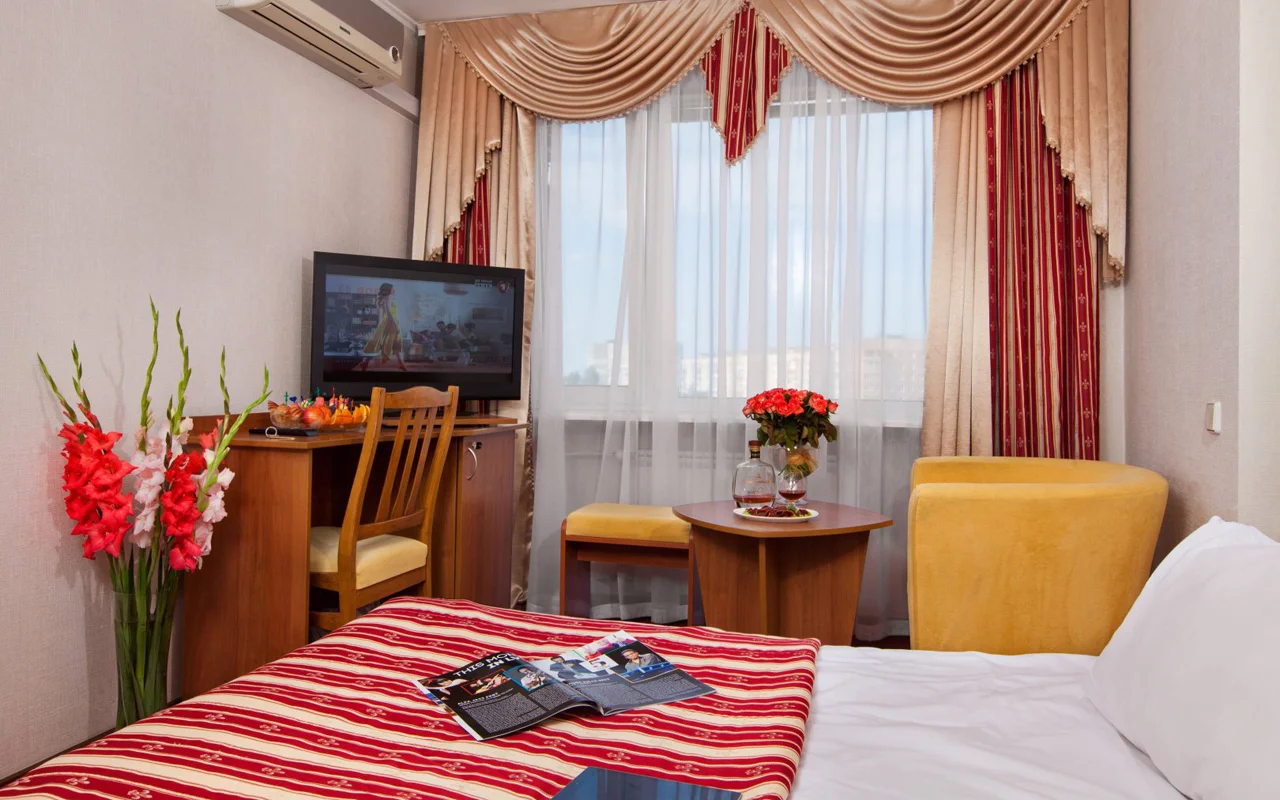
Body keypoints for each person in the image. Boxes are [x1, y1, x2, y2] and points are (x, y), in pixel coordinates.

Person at [355, 283, 407, 371]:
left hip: (386, 322)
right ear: (388, 290)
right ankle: (365, 362)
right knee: (390, 343)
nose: (392, 290)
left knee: (387, 343)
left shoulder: (381, 299)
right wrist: (396, 325)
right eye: (391, 289)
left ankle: (365, 362)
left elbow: (380, 316)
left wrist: (379, 326)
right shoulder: (387, 298)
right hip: (391, 323)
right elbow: (389, 313)